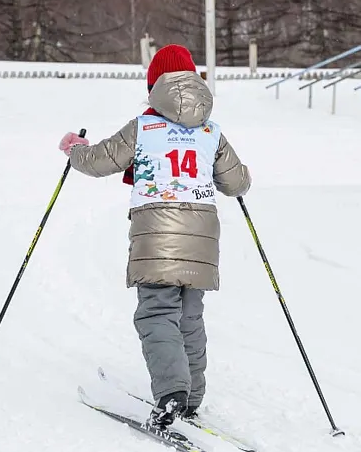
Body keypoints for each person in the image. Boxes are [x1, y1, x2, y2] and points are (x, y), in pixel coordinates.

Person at [57, 44, 251, 428]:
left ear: (154, 86)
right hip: (201, 236)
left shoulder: (144, 127)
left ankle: (172, 393)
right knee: (189, 316)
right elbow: (237, 183)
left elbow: (99, 161)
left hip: (156, 233)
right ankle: (191, 397)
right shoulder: (211, 131)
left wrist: (75, 151)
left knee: (157, 312)